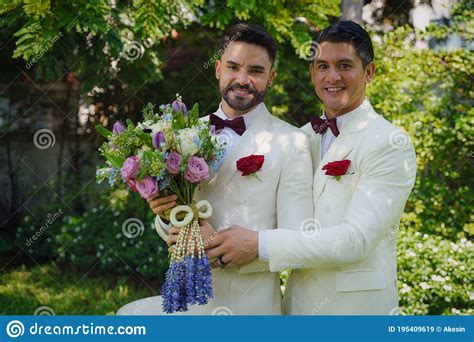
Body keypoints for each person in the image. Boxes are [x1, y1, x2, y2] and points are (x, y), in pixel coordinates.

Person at [204, 21, 417, 315]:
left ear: (369, 72)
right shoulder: (300, 136)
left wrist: (258, 244)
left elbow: (356, 240)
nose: (332, 77)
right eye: (322, 66)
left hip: (356, 311)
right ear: (312, 73)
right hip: (297, 307)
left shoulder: (389, 142)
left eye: (344, 65)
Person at [142, 23, 314, 315]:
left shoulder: (292, 142)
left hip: (251, 307)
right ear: (218, 68)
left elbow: (297, 236)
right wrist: (166, 217)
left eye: (256, 71)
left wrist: (248, 249)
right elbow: (170, 220)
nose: (243, 79)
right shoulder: (178, 132)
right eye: (233, 67)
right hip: (185, 304)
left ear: (270, 78)